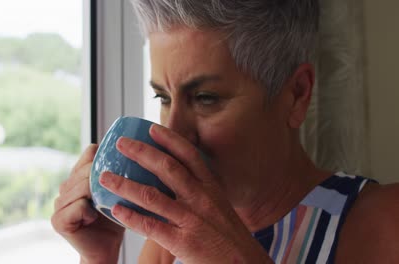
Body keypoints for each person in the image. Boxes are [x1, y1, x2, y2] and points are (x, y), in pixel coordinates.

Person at [51, 0, 399, 263]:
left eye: (205, 98)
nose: (173, 133)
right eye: (164, 97)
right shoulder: (169, 241)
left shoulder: (383, 224)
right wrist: (100, 257)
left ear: (295, 95)